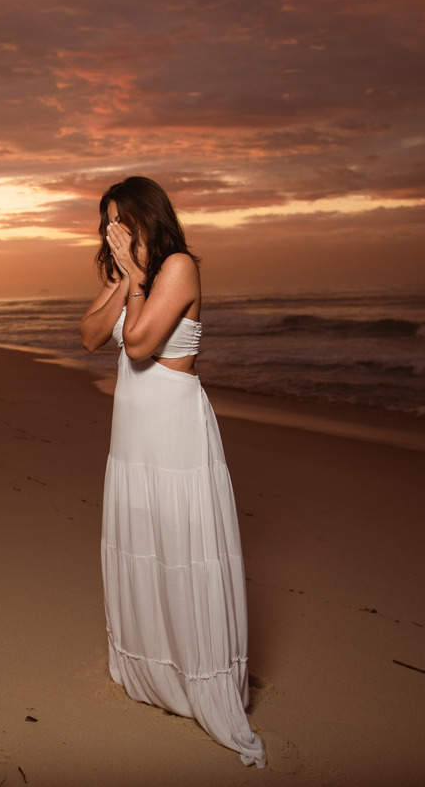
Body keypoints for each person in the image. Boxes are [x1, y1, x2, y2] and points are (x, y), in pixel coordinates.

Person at [79, 177, 266, 767]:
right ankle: (149, 667)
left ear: (147, 219)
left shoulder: (178, 267)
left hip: (174, 426)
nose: (113, 232)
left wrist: (134, 281)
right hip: (132, 433)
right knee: (143, 544)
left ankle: (200, 675)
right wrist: (122, 278)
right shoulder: (124, 275)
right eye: (106, 222)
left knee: (182, 545)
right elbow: (89, 337)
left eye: (122, 221)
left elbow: (137, 346)